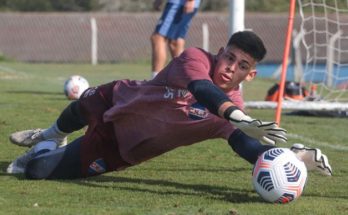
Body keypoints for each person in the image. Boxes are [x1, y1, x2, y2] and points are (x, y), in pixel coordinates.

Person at [7, 31, 332, 180]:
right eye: (229, 57)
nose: (231, 67)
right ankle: (49, 135)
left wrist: (295, 158)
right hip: (118, 98)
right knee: (79, 107)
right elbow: (202, 89)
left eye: (242, 65)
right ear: (220, 52)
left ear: (251, 75)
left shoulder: (234, 111)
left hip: (119, 147)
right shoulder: (195, 59)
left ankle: (45, 151)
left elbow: (249, 149)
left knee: (36, 171)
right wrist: (235, 115)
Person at [151, 0, 201, 78]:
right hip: (178, 4)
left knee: (158, 37)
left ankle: (156, 81)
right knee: (175, 42)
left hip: (178, 4)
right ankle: (182, 80)